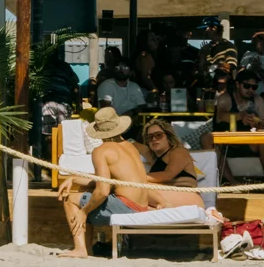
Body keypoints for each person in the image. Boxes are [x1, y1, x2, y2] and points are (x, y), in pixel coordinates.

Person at [58, 109, 197, 258]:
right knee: (86, 195)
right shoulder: (130, 147)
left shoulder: (101, 151)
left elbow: (103, 190)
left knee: (71, 199)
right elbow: (110, 180)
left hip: (126, 206)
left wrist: (83, 212)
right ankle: (87, 250)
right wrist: (74, 178)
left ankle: (80, 248)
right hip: (141, 206)